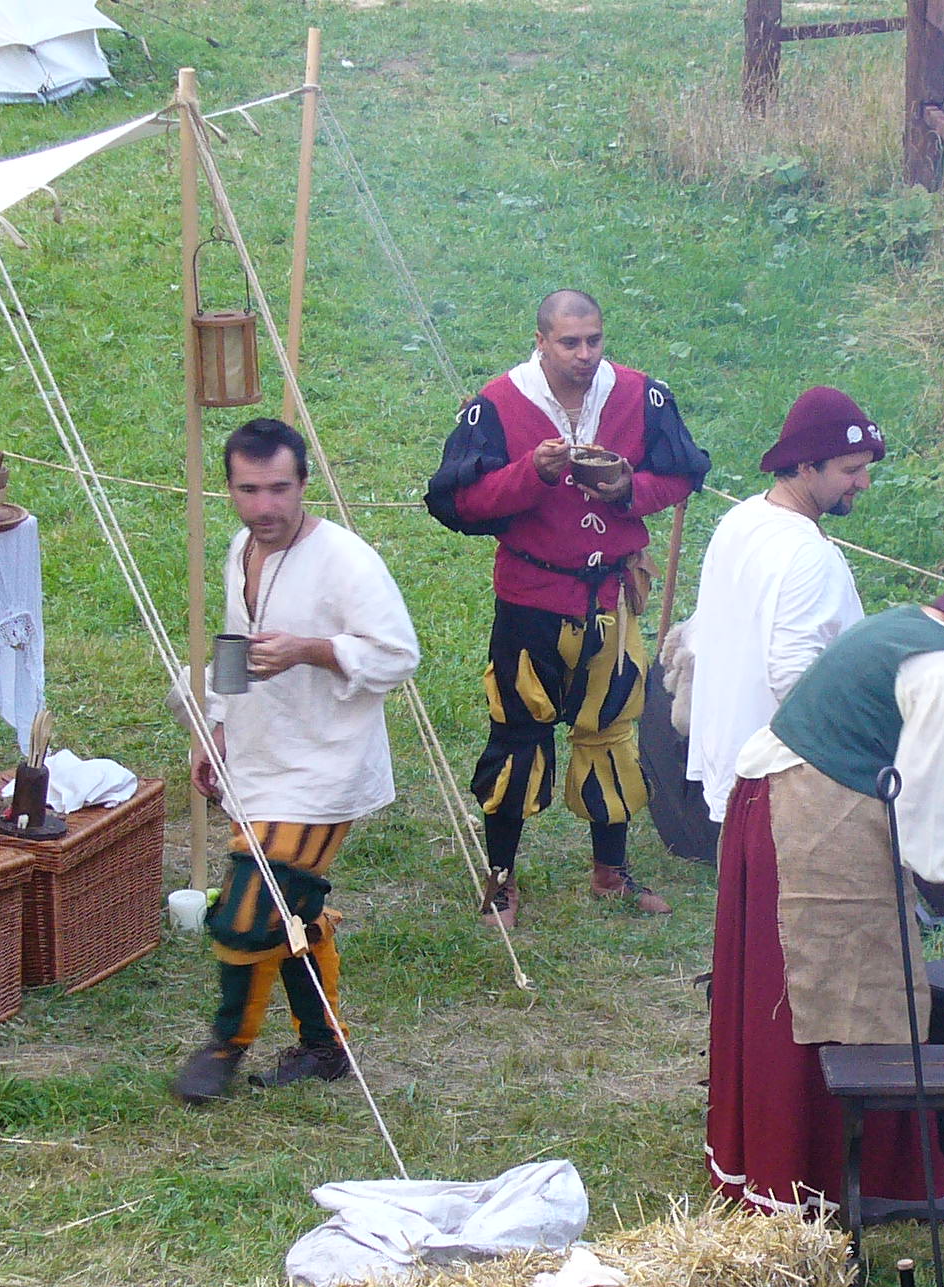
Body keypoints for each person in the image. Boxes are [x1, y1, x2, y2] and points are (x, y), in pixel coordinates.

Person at [705, 533, 944, 1217]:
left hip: (772, 805)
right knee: (841, 998)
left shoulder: (903, 626)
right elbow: (927, 809)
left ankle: (808, 1164)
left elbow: (911, 757)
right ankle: (832, 1177)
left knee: (805, 997)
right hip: (812, 825)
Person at [424, 288, 710, 929]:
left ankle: (610, 873)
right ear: (541, 342)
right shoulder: (497, 406)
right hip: (531, 600)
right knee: (519, 737)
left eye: (594, 340)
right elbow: (459, 504)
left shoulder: (642, 396)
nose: (584, 354)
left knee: (610, 733)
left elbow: (684, 475)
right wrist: (533, 473)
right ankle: (501, 877)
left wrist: (629, 487)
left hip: (611, 595)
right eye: (568, 342)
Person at [172, 419, 420, 1104]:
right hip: (258, 757)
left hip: (325, 767)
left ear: (304, 484)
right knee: (289, 910)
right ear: (230, 490)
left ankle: (224, 1047)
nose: (265, 507)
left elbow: (400, 655)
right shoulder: (240, 548)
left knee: (248, 915)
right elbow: (234, 647)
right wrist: (214, 732)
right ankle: (324, 1046)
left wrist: (312, 649)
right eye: (249, 490)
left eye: (279, 488)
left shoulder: (347, 561)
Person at [684, 386, 880, 825]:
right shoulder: (808, 556)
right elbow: (795, 678)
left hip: (739, 764)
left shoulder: (742, 519)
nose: (863, 483)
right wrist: (856, 758)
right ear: (807, 468)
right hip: (784, 787)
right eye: (851, 470)